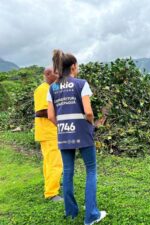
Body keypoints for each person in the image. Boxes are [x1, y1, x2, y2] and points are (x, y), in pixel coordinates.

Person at [47, 49, 106, 225]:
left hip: (64, 133)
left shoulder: (52, 87)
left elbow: (51, 116)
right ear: (73, 66)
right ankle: (92, 216)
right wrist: (92, 123)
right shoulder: (81, 84)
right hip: (83, 133)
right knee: (91, 170)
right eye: (77, 65)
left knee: (68, 172)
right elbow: (88, 111)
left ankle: (71, 212)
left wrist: (64, 127)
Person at [34, 67, 63, 202]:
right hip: (48, 132)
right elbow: (40, 112)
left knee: (49, 162)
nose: (58, 75)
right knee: (55, 163)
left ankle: (51, 185)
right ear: (47, 74)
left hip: (49, 132)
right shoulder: (43, 89)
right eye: (56, 73)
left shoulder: (50, 89)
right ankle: (51, 193)